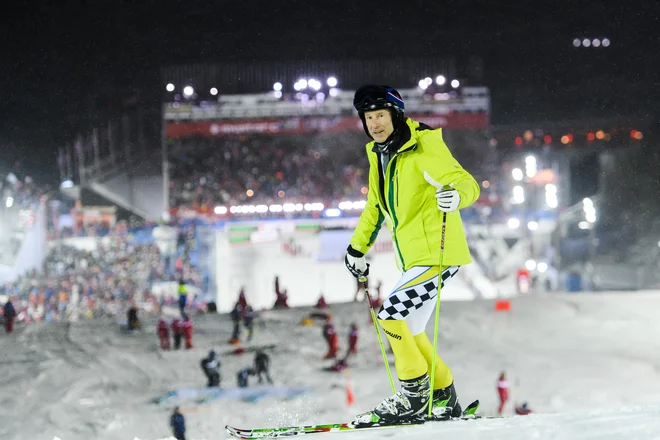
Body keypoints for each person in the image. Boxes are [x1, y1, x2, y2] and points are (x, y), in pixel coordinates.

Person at [345, 85, 480, 425]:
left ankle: (412, 397)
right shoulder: (379, 154)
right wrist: (356, 248)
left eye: (380, 115)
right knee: (410, 329)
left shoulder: (424, 145)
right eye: (368, 117)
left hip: (438, 253)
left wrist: (457, 196)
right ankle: (443, 395)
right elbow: (375, 206)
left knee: (389, 316)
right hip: (413, 259)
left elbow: (464, 181)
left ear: (396, 114)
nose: (374, 123)